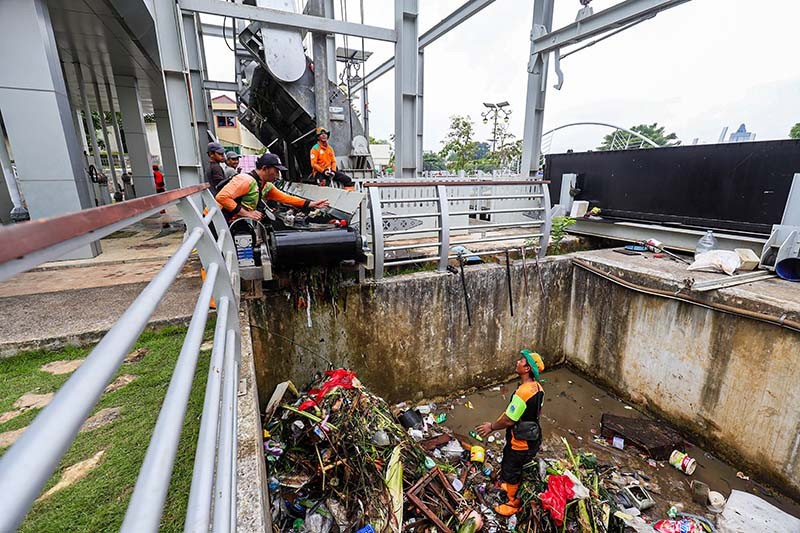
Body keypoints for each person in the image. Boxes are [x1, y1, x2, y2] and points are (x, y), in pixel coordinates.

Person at [475, 349, 545, 517]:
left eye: (521, 361)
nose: (517, 362)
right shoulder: (538, 388)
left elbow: (509, 420)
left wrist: (491, 426)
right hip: (533, 436)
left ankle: (513, 503)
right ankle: (511, 488)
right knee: (514, 466)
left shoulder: (523, 392)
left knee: (510, 469)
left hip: (520, 442)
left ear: (527, 368)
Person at [216, 153, 330, 222]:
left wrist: (311, 204)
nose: (277, 175)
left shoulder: (266, 185)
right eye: (276, 171)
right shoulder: (245, 180)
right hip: (217, 220)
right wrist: (247, 213)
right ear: (265, 168)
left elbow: (286, 198)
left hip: (231, 221)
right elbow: (222, 197)